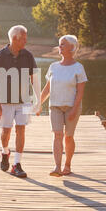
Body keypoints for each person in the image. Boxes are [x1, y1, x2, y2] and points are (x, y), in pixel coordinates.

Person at [0, 25, 41, 178]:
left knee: (21, 129)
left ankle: (17, 164)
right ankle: (5, 152)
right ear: (14, 39)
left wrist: (38, 101)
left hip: (24, 101)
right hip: (5, 101)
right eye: (23, 38)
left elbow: (35, 79)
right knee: (6, 131)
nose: (26, 41)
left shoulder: (28, 56)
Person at [38, 35, 87, 176]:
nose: (60, 47)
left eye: (63, 44)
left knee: (68, 137)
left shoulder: (79, 68)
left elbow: (80, 92)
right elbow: (47, 88)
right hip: (55, 106)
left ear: (72, 48)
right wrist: (39, 104)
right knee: (57, 135)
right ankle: (57, 167)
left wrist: (74, 109)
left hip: (72, 107)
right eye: (60, 44)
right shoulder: (53, 67)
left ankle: (68, 165)